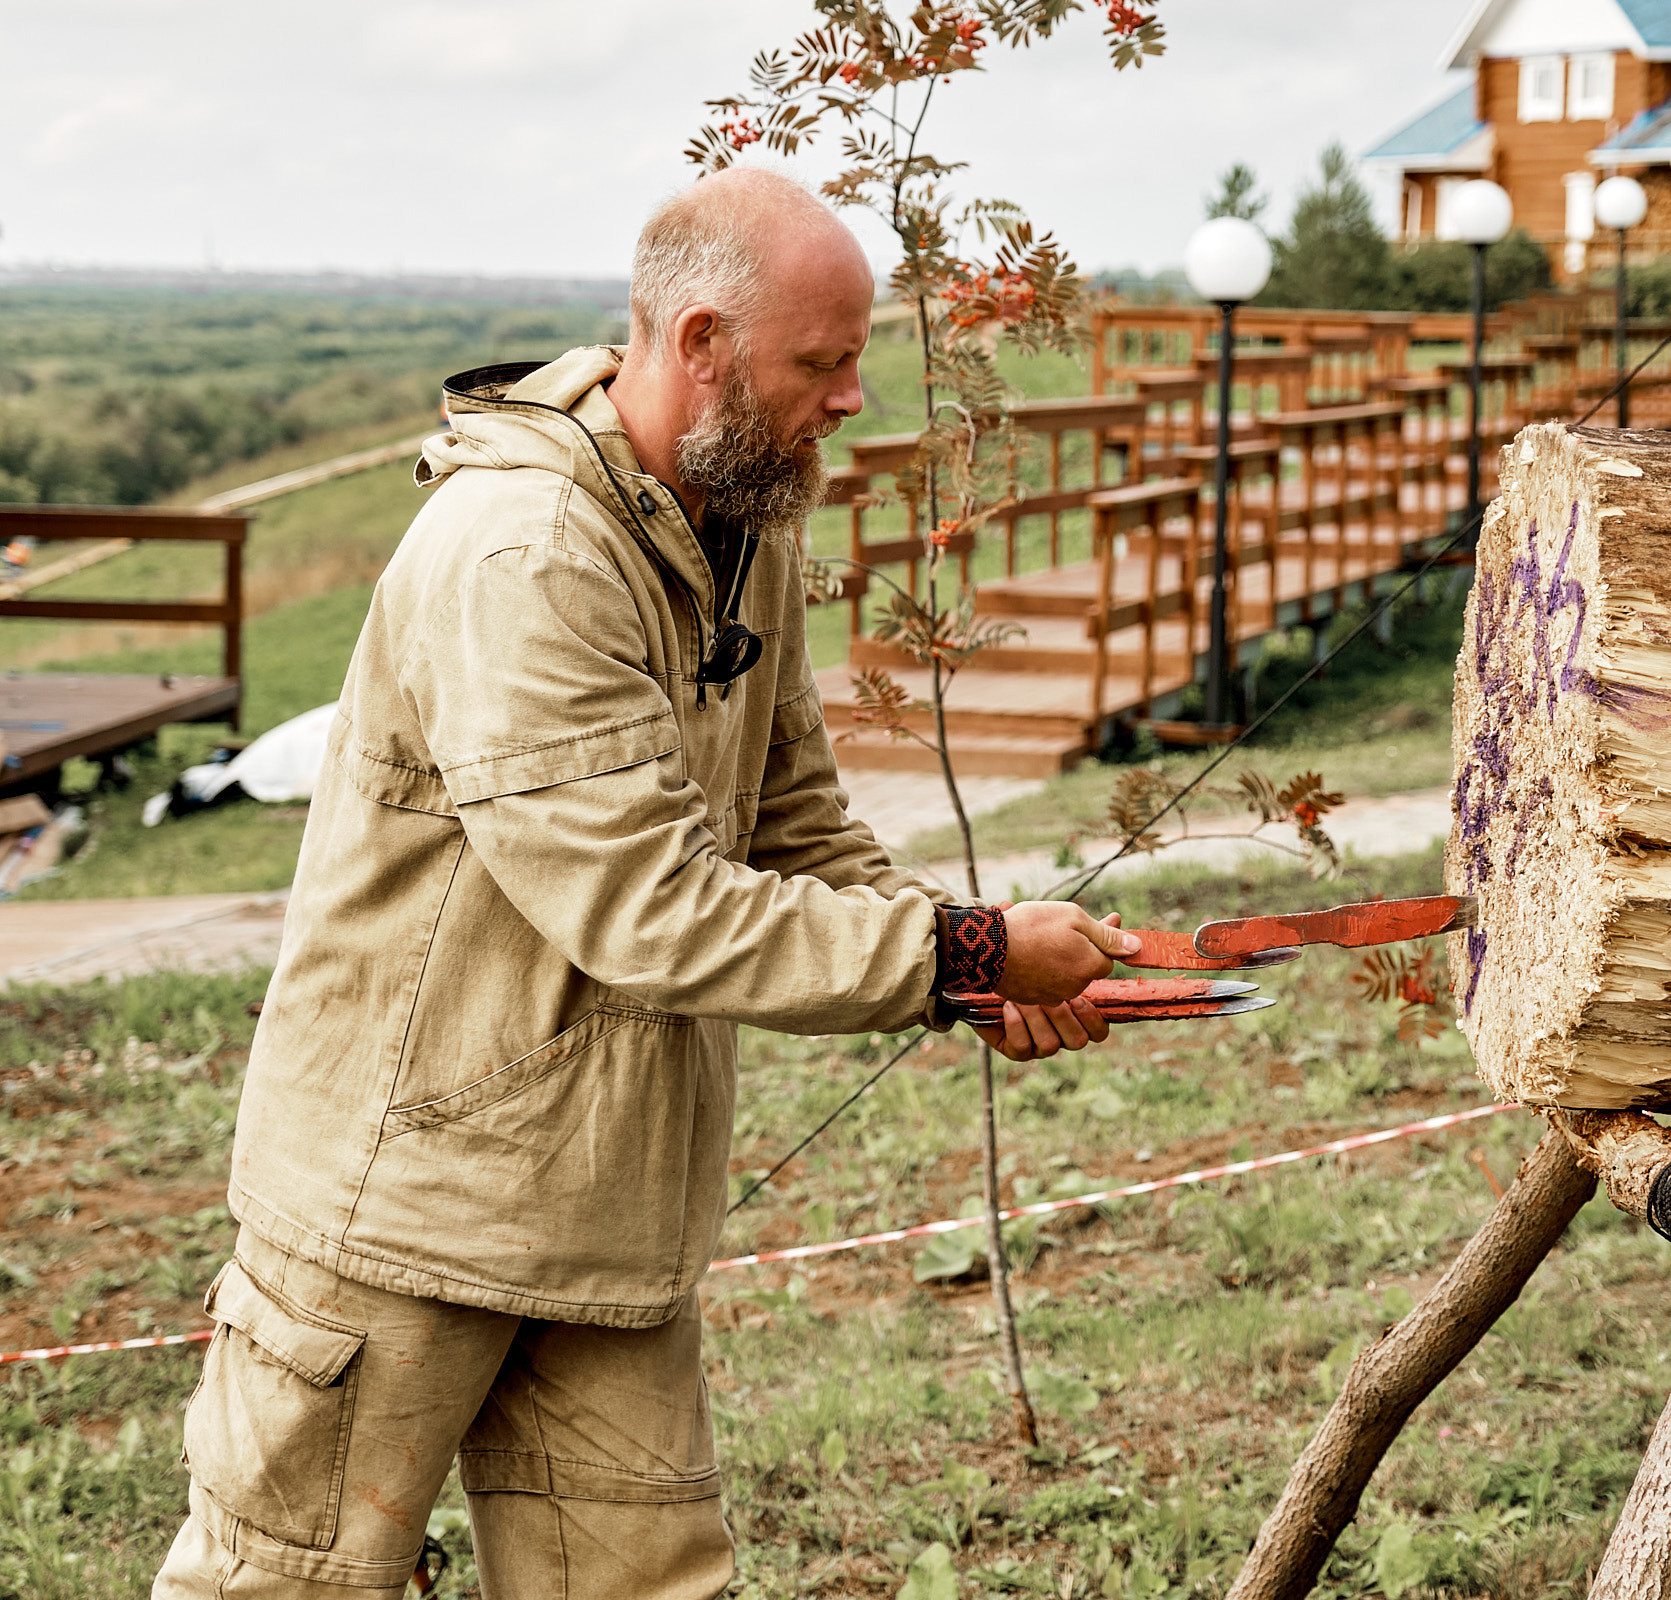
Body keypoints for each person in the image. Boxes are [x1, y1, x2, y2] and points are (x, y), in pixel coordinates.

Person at [154, 169, 1136, 1599]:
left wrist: (966, 965)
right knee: (287, 1583)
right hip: (401, 1202)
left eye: (856, 358)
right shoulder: (524, 554)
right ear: (697, 343)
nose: (853, 397)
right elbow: (649, 910)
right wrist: (959, 951)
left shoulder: (746, 512)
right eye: (824, 361)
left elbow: (792, 818)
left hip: (604, 1210)